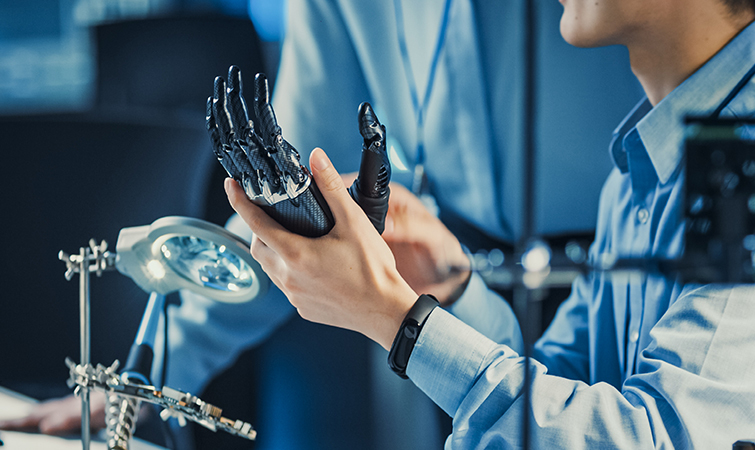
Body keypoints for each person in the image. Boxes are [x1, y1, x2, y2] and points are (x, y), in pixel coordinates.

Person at [0, 1, 642, 448]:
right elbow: (295, 194)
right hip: (432, 284)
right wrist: (151, 379)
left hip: (626, 262)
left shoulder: (600, 22)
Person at [223, 0, 755, 446]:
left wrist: (393, 316)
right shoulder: (644, 163)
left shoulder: (741, 164)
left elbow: (653, 436)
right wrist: (449, 289)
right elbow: (566, 385)